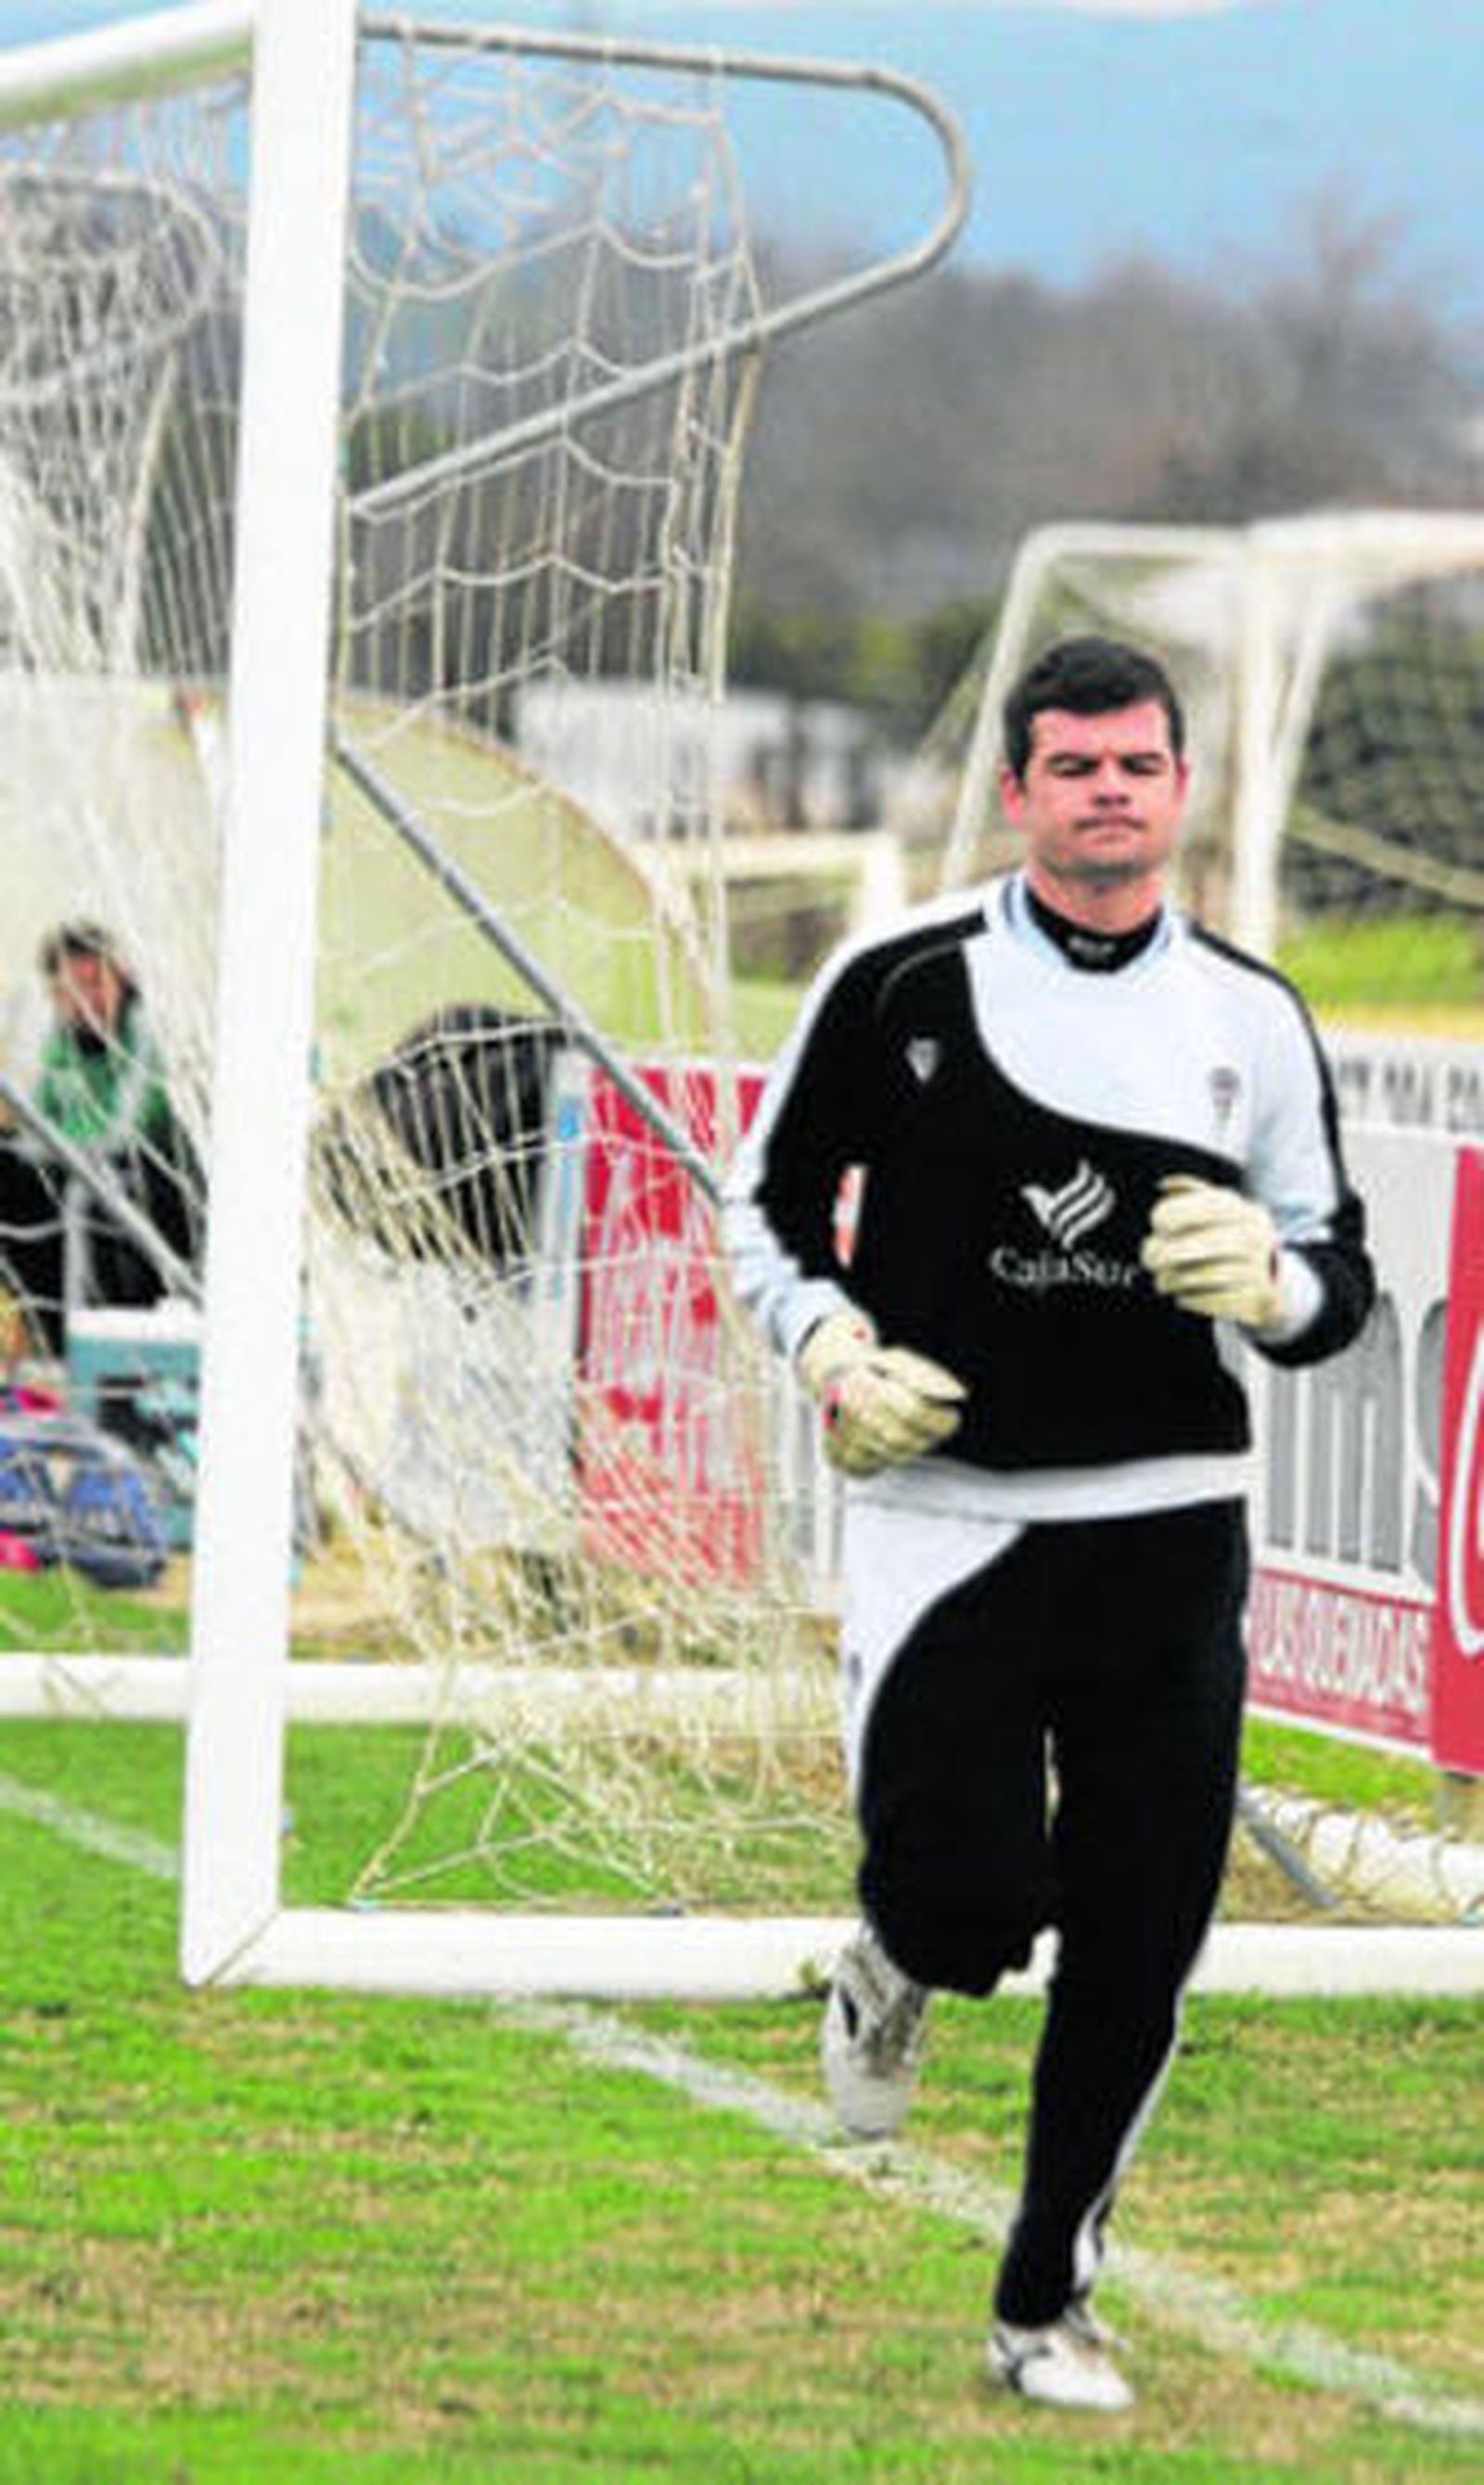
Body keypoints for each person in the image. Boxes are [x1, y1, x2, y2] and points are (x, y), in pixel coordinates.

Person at [723, 635, 1375, 2414]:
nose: (1107, 789)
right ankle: (897, 1960)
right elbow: (763, 1206)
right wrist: (833, 1344)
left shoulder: (1251, 1013)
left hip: (1170, 1531)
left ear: (1179, 788)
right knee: (970, 1898)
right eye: (1072, 763)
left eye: (1138, 763)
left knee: (1145, 1928)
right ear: (1017, 790)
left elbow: (1340, 1267)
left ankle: (1044, 2300)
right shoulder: (891, 980)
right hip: (948, 1525)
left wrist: (1275, 1280)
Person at [0, 921, 199, 1355]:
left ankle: (104, 1349)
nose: (86, 1001)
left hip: (152, 1195)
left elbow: (123, 1130)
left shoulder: (144, 1032)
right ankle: (41, 1336)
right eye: (71, 990)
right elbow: (40, 1118)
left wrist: (48, 1145)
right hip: (80, 1172)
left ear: (121, 977)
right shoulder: (63, 1042)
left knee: (92, 1185)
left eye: (95, 983)